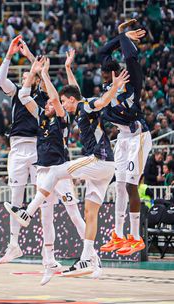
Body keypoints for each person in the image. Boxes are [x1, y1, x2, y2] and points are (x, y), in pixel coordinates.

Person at [5, 61, 130, 278]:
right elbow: (72, 93)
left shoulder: (73, 112)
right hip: (86, 169)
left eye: (61, 102)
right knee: (87, 213)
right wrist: (65, 70)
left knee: (63, 190)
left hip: (89, 163)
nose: (56, 104)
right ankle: (82, 260)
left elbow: (95, 101)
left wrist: (114, 87)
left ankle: (27, 213)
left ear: (67, 102)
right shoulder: (55, 112)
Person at [9, 56, 86, 285]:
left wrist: (43, 74)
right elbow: (23, 96)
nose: (49, 105)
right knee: (46, 219)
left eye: (53, 103)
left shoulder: (63, 118)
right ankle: (49, 262)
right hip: (43, 172)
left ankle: (92, 256)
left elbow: (53, 96)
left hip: (60, 171)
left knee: (74, 213)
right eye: (48, 104)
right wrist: (33, 72)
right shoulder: (41, 116)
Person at [98, 26, 151, 256]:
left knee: (131, 185)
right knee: (119, 186)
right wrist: (121, 37)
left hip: (138, 135)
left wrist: (123, 36)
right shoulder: (108, 91)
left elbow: (130, 55)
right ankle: (118, 234)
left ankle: (136, 238)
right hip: (122, 138)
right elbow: (102, 52)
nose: (104, 79)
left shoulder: (131, 81)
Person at [0, 35, 48, 264]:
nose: (26, 75)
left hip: (37, 146)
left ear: (35, 79)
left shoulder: (43, 93)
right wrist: (9, 54)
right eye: (25, 74)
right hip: (17, 147)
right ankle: (13, 244)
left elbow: (41, 71)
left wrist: (30, 58)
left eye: (30, 74)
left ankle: (48, 249)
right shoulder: (16, 91)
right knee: (15, 198)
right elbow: (0, 78)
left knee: (43, 197)